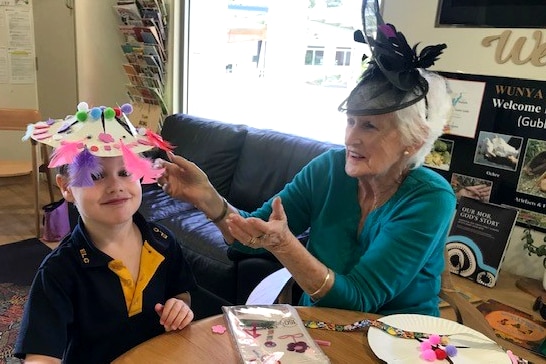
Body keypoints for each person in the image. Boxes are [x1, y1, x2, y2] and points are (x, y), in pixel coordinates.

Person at [156, 1, 455, 317]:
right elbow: (248, 238)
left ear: (414, 140)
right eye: (350, 121)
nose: (351, 138)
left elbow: (359, 300)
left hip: (399, 336)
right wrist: (208, 198)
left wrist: (284, 244)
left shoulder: (430, 199)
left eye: (369, 126)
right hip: (319, 322)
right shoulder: (328, 169)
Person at [15, 103, 196, 364]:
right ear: (66, 187)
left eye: (125, 172)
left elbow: (182, 292)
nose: (115, 186)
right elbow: (41, 356)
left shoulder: (163, 242)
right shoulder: (59, 271)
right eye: (96, 175)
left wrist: (180, 306)